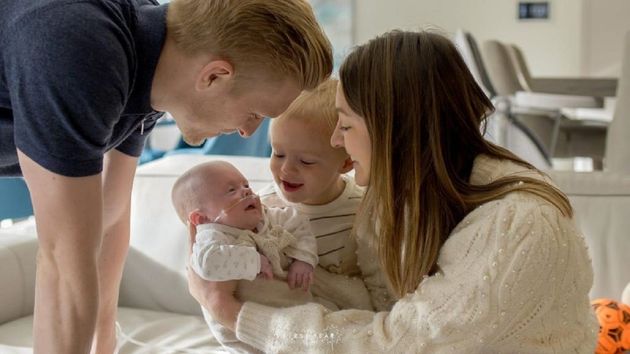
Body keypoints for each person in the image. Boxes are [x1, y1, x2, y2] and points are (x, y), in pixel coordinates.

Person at [187, 30, 598, 353]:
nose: (334, 141)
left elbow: (399, 342)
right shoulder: (405, 199)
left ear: (392, 130)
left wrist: (234, 312)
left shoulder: (515, 225)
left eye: (345, 125)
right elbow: (378, 307)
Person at [0, 0, 332, 352]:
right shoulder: (83, 51)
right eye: (254, 112)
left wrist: (103, 345)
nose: (249, 132)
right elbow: (64, 265)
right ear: (215, 76)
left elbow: (108, 221)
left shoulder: (150, 63)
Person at [259, 78, 393, 311]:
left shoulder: (362, 212)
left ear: (346, 163)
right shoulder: (262, 204)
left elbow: (376, 291)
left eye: (306, 161)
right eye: (278, 154)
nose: (286, 169)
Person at [172, 160, 319, 353]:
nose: (246, 191)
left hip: (288, 307)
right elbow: (207, 263)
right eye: (231, 190)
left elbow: (298, 223)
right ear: (201, 218)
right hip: (241, 331)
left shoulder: (267, 216)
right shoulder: (212, 236)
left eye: (246, 185)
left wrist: (303, 259)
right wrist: (254, 260)